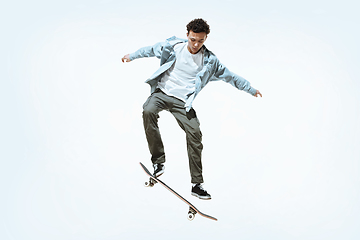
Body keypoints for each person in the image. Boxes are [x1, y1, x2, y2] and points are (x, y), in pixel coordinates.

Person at [122, 18, 262, 200]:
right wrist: (131, 56)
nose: (196, 44)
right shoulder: (172, 46)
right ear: (187, 34)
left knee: (195, 133)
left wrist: (250, 89)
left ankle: (197, 184)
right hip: (162, 93)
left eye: (201, 41)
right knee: (148, 110)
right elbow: (149, 50)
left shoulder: (210, 61)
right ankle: (158, 162)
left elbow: (230, 76)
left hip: (183, 103)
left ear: (206, 39)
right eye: (193, 39)